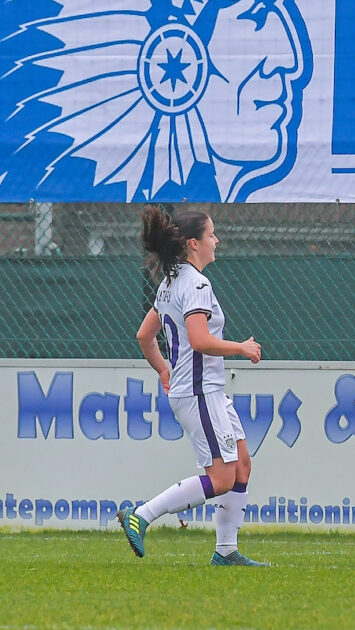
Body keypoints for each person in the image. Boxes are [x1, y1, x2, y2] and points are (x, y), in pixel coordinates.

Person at [117, 206, 267, 567]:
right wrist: (241, 348)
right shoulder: (196, 283)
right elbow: (199, 340)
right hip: (201, 393)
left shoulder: (171, 282)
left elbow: (144, 336)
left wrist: (164, 371)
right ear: (193, 243)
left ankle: (226, 551)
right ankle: (143, 514)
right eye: (212, 234)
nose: (217, 240)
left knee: (241, 466)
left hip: (204, 390)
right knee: (221, 477)